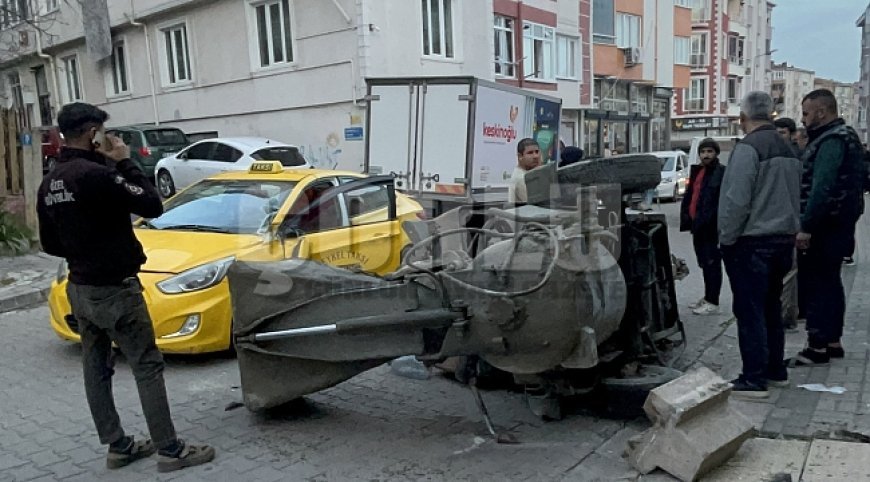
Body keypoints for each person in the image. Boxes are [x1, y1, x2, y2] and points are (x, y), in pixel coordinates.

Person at [36, 103, 215, 473]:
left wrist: (83, 247)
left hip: (80, 287)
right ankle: (171, 450)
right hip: (116, 290)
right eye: (103, 131)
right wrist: (122, 161)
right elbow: (153, 205)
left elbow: (50, 244)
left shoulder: (51, 180)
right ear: (91, 133)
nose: (109, 137)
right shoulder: (96, 175)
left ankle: (118, 446)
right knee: (147, 366)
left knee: (96, 368)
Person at [718, 91, 802, 398]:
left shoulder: (748, 148)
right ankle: (775, 369)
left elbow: (736, 201)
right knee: (770, 308)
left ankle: (753, 378)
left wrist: (726, 238)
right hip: (783, 241)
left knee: (749, 310)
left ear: (743, 117)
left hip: (751, 242)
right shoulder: (788, 148)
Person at [789, 89, 866, 366]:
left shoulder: (832, 140)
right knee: (831, 283)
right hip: (839, 222)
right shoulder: (846, 137)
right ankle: (832, 341)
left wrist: (806, 226)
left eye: (807, 113)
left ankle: (817, 346)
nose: (803, 118)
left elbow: (822, 187)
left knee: (818, 284)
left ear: (822, 112)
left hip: (825, 225)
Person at [680, 138, 726, 315]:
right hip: (698, 226)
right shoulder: (698, 172)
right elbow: (692, 196)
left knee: (712, 263)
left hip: (711, 227)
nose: (706, 155)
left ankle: (713, 300)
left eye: (709, 152)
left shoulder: (720, 173)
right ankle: (707, 297)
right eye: (703, 152)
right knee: (703, 262)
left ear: (716, 153)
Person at [508, 138, 542, 204]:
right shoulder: (521, 178)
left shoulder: (526, 173)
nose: (535, 156)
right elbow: (537, 204)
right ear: (520, 156)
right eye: (530, 153)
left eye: (537, 152)